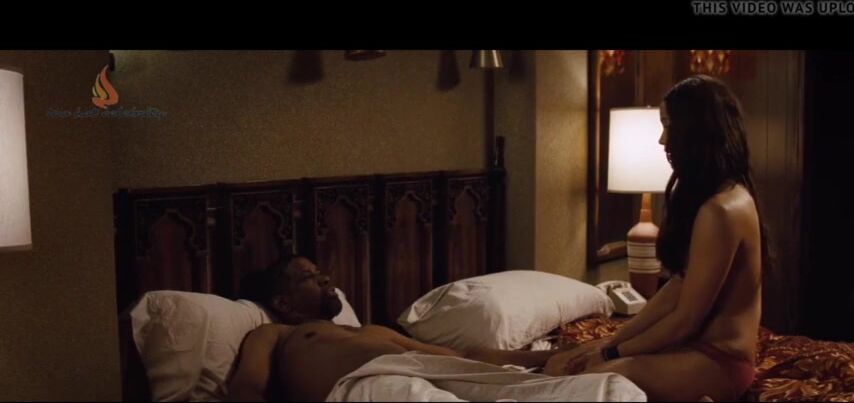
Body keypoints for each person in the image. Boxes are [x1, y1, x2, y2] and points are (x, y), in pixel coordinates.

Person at [543, 75, 766, 402]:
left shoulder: (722, 210)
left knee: (586, 381)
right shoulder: (716, 197)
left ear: (694, 130)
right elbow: (677, 287)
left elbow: (686, 319)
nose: (662, 140)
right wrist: (612, 341)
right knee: (562, 363)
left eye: (668, 126)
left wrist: (611, 355)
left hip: (719, 362)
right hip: (690, 348)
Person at [227, 255, 564, 402]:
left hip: (427, 377)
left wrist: (549, 357)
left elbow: (462, 357)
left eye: (321, 272)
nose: (325, 279)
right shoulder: (277, 333)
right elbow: (246, 389)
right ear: (283, 303)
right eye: (308, 277)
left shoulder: (372, 331)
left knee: (555, 391)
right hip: (367, 387)